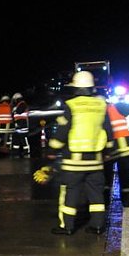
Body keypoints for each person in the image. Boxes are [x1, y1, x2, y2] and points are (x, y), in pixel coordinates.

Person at [46, 71, 114, 235]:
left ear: (75, 88)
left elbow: (63, 131)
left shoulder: (71, 105)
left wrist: (52, 149)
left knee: (70, 193)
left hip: (74, 162)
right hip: (96, 161)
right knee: (96, 194)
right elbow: (108, 130)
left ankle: (67, 226)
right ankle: (97, 226)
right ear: (92, 88)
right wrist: (109, 150)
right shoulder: (101, 105)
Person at [104, 101, 129, 207]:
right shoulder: (117, 107)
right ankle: (126, 200)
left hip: (109, 149)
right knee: (124, 175)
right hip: (124, 148)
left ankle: (105, 201)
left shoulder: (99, 112)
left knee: (106, 176)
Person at [11, 92, 30, 158]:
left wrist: (14, 110)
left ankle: (26, 151)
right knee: (16, 139)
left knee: (24, 139)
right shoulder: (18, 105)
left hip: (23, 126)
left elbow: (19, 111)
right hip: (18, 125)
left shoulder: (22, 104)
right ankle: (15, 151)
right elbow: (14, 116)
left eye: (14, 100)